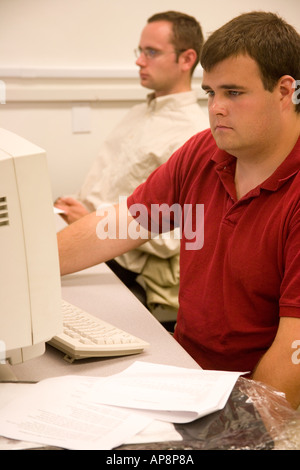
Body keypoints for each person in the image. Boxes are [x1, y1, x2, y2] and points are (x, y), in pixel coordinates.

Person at [57, 11, 300, 409]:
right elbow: (118, 225)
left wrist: (236, 431)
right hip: (184, 370)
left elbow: (294, 352)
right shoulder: (204, 152)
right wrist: (23, 273)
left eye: (234, 93)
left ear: (285, 90)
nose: (217, 108)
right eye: (210, 93)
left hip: (249, 397)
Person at [55, 11, 208, 322]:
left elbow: (183, 235)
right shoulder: (138, 113)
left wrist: (93, 221)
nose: (140, 61)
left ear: (186, 59)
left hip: (125, 263)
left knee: (36, 292)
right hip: (87, 230)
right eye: (140, 52)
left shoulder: (193, 134)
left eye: (151, 52)